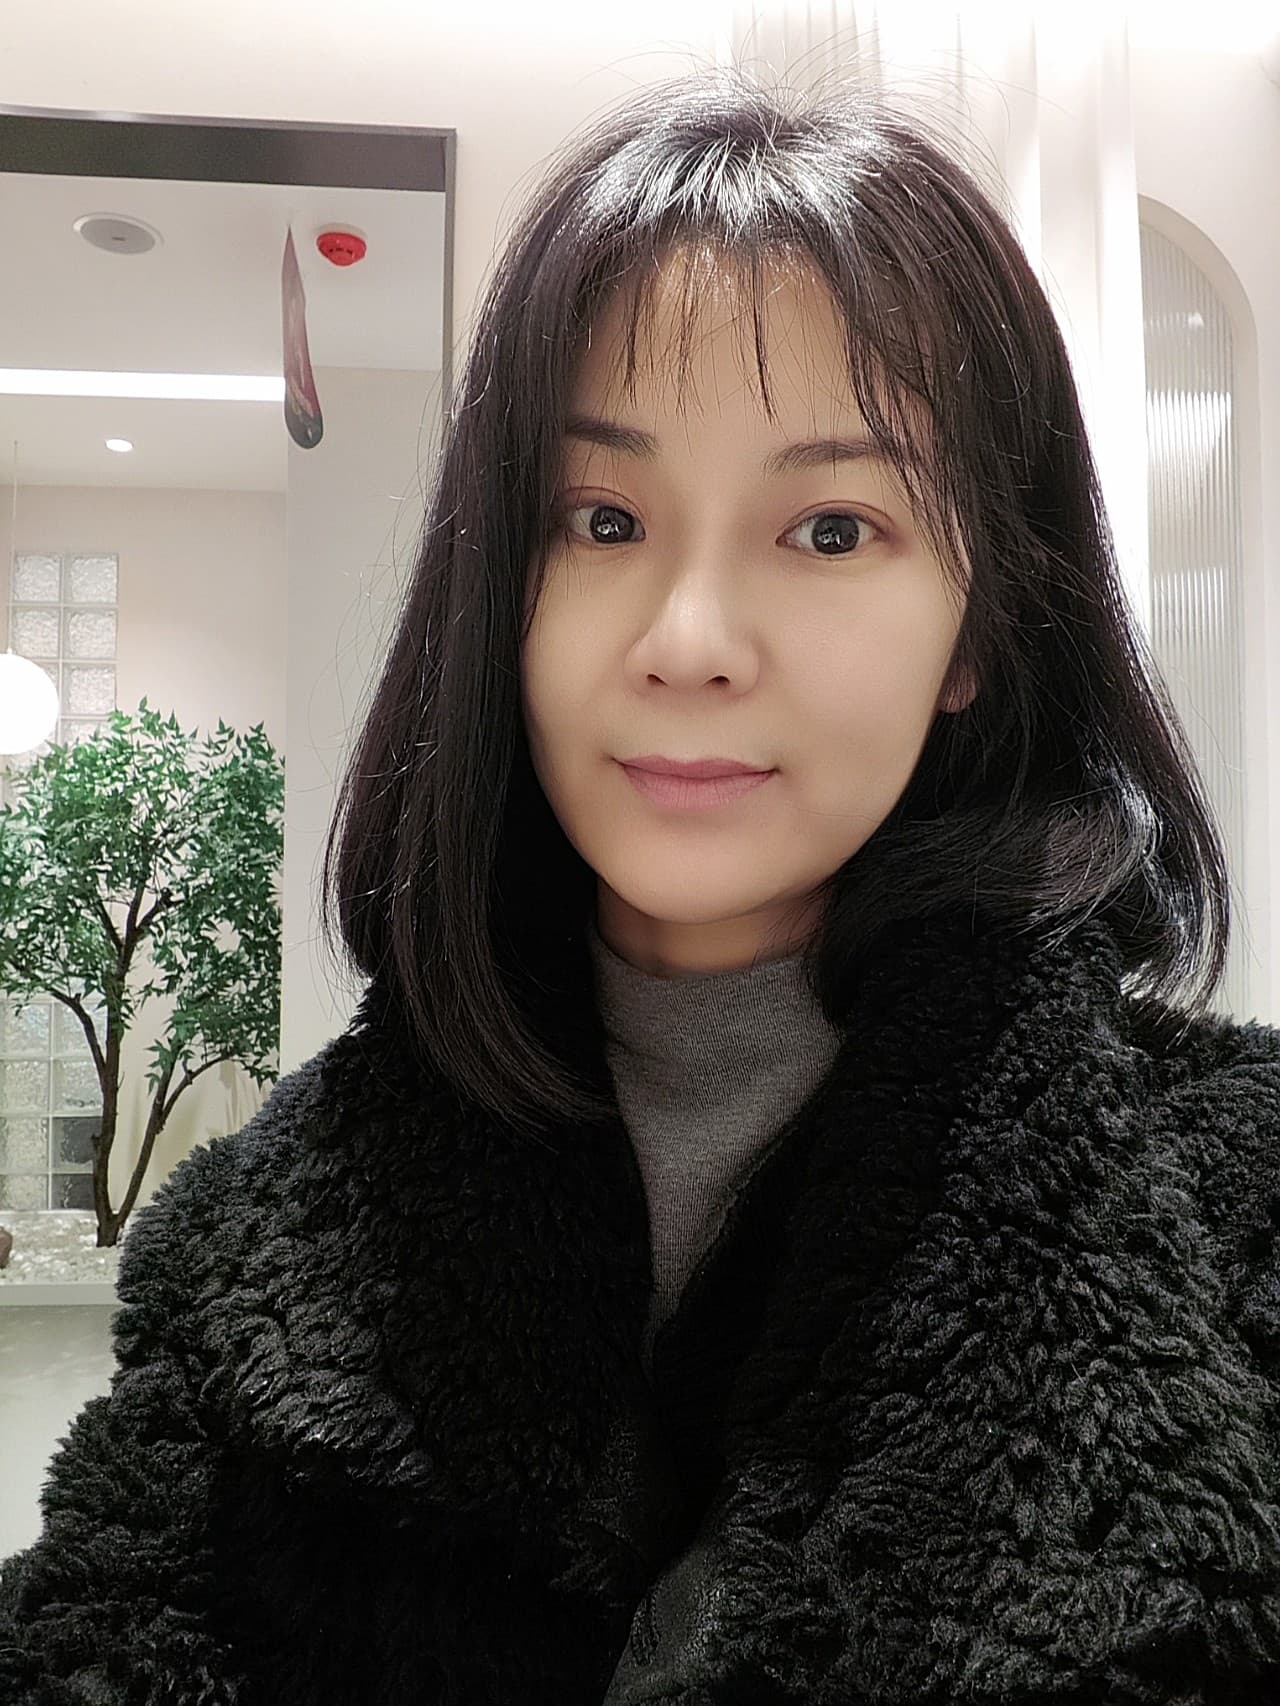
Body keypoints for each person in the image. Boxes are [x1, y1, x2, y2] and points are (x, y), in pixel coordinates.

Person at [2, 61, 1277, 1706]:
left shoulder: (1231, 1218)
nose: (688, 640)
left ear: (978, 629)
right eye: (601, 518)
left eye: (832, 529)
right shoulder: (263, 1241)